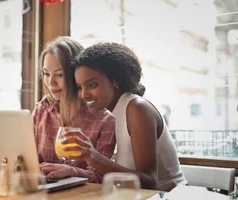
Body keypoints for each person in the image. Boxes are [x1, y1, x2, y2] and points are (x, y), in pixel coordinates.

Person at [62, 42, 187, 191]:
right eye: (79, 87)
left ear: (115, 80)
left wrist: (92, 156)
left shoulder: (137, 108)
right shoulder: (115, 112)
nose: (83, 94)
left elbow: (150, 182)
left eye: (93, 85)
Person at [31, 37, 116, 183]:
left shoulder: (104, 120)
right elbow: (26, 160)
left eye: (60, 74)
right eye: (46, 74)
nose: (51, 82)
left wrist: (72, 171)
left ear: (75, 76)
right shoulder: (41, 110)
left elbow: (101, 177)